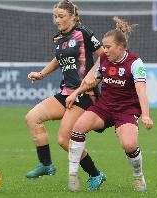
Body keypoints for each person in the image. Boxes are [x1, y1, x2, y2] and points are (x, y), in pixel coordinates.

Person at [66, 16, 154, 192]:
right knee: (78, 127)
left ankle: (138, 177)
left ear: (120, 47)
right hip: (104, 107)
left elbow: (141, 90)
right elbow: (92, 81)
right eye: (103, 47)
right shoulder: (104, 60)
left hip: (126, 110)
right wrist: (75, 93)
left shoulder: (135, 63)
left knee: (129, 145)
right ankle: (73, 176)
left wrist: (145, 115)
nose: (104, 51)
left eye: (108, 47)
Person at [25, 0, 106, 190]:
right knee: (32, 118)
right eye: (55, 16)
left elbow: (104, 55)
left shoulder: (83, 33)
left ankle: (96, 174)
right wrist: (42, 74)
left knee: (63, 140)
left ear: (72, 17)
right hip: (66, 92)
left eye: (61, 16)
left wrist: (92, 76)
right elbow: (58, 58)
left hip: (84, 94)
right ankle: (46, 165)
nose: (57, 20)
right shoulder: (60, 38)